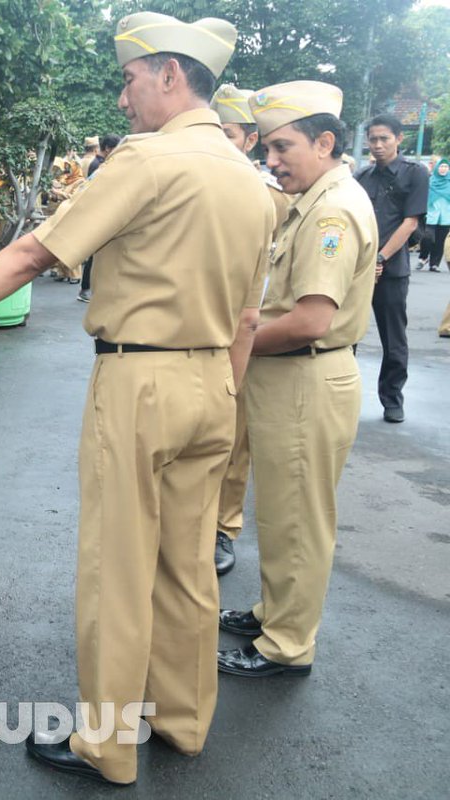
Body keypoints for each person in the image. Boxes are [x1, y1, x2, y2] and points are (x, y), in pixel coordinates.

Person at [0, 12, 272, 785]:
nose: (123, 98)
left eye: (129, 78)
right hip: (215, 381)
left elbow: (30, 253)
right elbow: (250, 315)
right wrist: (221, 390)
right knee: (187, 567)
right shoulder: (251, 181)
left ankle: (109, 746)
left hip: (140, 379)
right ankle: (183, 723)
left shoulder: (149, 161)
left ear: (169, 75)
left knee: (117, 569)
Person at [217, 81, 377, 678]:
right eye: (269, 148)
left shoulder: (331, 209)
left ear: (326, 141)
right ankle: (273, 612)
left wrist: (232, 345)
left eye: (283, 147)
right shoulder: (316, 198)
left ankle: (287, 645)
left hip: (307, 379)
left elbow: (310, 320)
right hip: (290, 379)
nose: (271, 160)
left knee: (299, 521)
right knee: (282, 513)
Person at [208, 84, 292, 575]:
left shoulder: (273, 197)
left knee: (232, 437)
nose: (221, 140)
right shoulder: (194, 180)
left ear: (249, 140)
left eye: (231, 133)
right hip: (195, 327)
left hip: (243, 329)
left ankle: (223, 525)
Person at [354, 113, 428, 423]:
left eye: (384, 138)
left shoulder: (415, 174)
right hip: (359, 271)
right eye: (373, 139)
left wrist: (381, 259)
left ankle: (392, 400)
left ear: (399, 139)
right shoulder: (361, 177)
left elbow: (410, 223)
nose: (378, 145)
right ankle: (341, 397)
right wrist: (363, 263)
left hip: (391, 270)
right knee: (346, 336)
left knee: (393, 340)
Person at [77, 134, 122, 303]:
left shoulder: (99, 163)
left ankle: (90, 288)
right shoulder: (99, 165)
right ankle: (86, 289)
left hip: (97, 212)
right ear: (108, 148)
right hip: (97, 213)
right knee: (95, 255)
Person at [419, 158, 450, 272]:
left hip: (446, 217)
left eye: (446, 167)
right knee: (427, 237)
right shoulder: (430, 181)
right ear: (437, 168)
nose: (443, 169)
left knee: (440, 242)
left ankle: (434, 264)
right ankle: (423, 257)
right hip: (431, 215)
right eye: (441, 166)